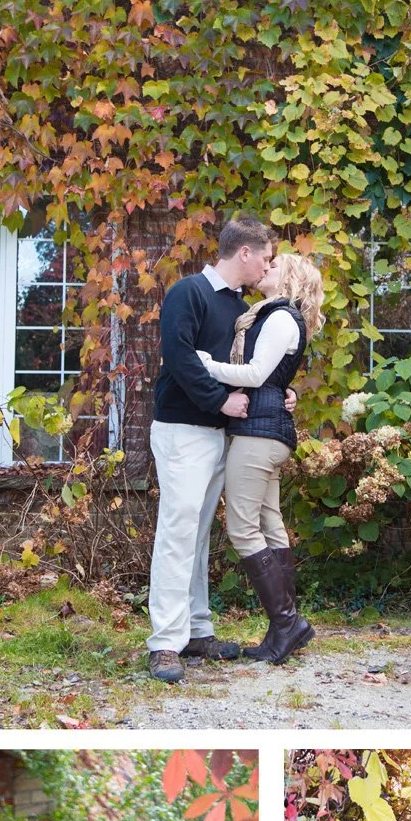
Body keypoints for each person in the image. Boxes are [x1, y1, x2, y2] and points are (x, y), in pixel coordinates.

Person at [145, 213, 273, 685]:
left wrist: (278, 396)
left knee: (198, 535)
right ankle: (164, 643)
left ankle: (196, 632)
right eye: (265, 257)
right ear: (245, 252)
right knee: (178, 533)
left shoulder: (239, 307)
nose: (267, 266)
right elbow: (178, 357)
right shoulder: (189, 293)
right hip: (183, 429)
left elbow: (244, 369)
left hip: (217, 433)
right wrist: (220, 400)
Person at [194, 250, 323, 664]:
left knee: (242, 528)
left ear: (291, 280)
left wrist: (206, 365)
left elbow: (254, 374)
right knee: (269, 523)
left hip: (258, 433)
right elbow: (276, 376)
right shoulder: (271, 316)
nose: (265, 268)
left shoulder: (281, 317)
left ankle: (287, 623)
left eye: (275, 265)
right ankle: (283, 629)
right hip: (268, 431)